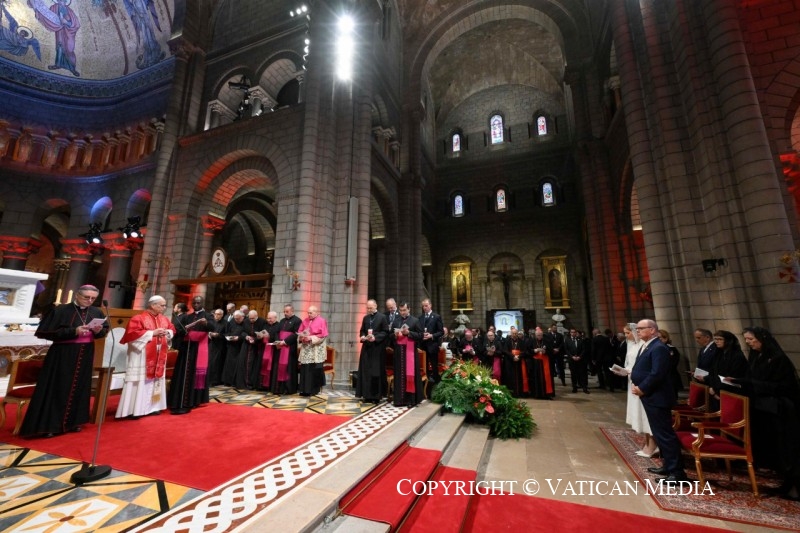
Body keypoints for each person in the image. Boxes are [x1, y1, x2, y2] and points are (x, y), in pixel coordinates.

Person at [20, 285, 108, 438]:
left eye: (93, 298)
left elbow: (103, 332)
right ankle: (50, 425)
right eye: (86, 297)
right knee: (59, 387)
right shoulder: (60, 310)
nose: (89, 301)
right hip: (63, 354)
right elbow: (44, 332)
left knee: (80, 387)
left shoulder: (96, 312)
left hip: (85, 354)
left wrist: (99, 330)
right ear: (77, 295)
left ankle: (73, 422)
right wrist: (74, 331)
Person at [736, 327, 800, 501]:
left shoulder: (778, 359)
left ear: (762, 339)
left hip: (780, 409)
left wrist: (752, 383)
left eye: (751, 339)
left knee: (787, 448)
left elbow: (784, 386)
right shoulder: (757, 356)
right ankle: (786, 483)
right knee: (774, 449)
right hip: (763, 408)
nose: (748, 343)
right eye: (746, 339)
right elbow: (753, 378)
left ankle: (795, 486)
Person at [630, 319, 688, 483]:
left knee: (665, 434)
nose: (638, 331)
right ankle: (668, 465)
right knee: (659, 433)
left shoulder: (659, 348)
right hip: (651, 396)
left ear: (652, 330)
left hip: (658, 396)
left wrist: (642, 388)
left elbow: (658, 373)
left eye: (641, 328)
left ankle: (677, 473)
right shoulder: (649, 345)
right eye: (637, 328)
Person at [115, 295, 175, 419]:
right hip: (141, 356)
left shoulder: (164, 319)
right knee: (140, 381)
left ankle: (152, 408)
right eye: (162, 305)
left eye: (164, 305)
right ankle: (134, 410)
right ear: (153, 305)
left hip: (159, 354)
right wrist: (152, 333)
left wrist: (167, 333)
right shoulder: (138, 318)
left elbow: (172, 329)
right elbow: (131, 335)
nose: (164, 307)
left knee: (155, 381)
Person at [615, 323, 657, 457]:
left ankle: (653, 445)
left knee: (646, 414)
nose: (626, 335)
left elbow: (649, 369)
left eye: (628, 333)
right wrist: (624, 371)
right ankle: (647, 442)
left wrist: (632, 372)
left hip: (642, 385)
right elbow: (630, 364)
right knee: (639, 413)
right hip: (632, 382)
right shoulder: (632, 345)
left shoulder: (646, 346)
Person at [168, 295, 214, 414]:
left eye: (198, 303)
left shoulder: (208, 316)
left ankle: (194, 400)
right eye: (194, 303)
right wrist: (184, 330)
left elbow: (213, 327)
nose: (196, 305)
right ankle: (179, 399)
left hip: (199, 348)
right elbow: (179, 330)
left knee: (195, 372)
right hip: (186, 348)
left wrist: (206, 323)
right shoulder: (187, 316)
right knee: (183, 373)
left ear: (202, 303)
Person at [703, 330, 748, 412]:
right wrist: (713, 389)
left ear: (728, 341)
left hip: (731, 392)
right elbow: (713, 372)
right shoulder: (718, 354)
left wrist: (716, 390)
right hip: (716, 391)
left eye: (720, 339)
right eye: (715, 339)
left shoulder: (737, 356)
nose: (716, 341)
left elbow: (733, 376)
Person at [390, 302, 424, 407]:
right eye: (400, 310)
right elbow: (390, 336)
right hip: (399, 352)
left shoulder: (415, 320)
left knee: (410, 375)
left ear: (409, 309)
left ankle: (411, 400)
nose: (402, 312)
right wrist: (395, 335)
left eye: (404, 310)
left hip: (410, 352)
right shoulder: (396, 321)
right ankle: (399, 400)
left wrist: (409, 333)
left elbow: (420, 335)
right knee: (399, 375)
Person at [356, 299, 389, 403]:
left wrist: (375, 337)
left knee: (375, 372)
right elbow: (362, 330)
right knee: (366, 372)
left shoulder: (382, 317)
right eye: (368, 308)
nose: (369, 310)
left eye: (371, 308)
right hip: (366, 348)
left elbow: (385, 332)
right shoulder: (366, 318)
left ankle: (375, 396)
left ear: (376, 306)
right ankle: (366, 395)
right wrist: (362, 336)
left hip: (377, 349)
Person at [297, 305, 329, 396]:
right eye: (308, 313)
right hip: (306, 349)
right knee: (305, 369)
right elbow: (300, 332)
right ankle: (304, 390)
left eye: (310, 313)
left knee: (313, 370)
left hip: (315, 349)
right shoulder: (305, 320)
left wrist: (310, 338)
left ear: (316, 312)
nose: (309, 314)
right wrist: (301, 337)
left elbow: (323, 336)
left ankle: (313, 390)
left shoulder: (322, 321)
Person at [272, 304, 302, 394]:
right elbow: (277, 332)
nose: (285, 313)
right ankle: (279, 388)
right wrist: (277, 341)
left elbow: (296, 334)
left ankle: (288, 389)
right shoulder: (282, 320)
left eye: (287, 311)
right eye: (284, 311)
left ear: (292, 311)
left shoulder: (297, 320)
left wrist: (285, 341)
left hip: (289, 347)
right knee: (279, 367)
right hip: (280, 347)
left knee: (288, 368)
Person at [235, 310, 266, 389]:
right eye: (250, 318)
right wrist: (246, 336)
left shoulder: (262, 322)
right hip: (246, 345)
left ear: (257, 316)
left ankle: (252, 383)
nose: (251, 320)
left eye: (253, 318)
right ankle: (243, 383)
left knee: (253, 365)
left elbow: (264, 334)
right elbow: (242, 332)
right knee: (243, 363)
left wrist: (255, 339)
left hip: (256, 346)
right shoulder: (246, 321)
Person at [419, 298, 444, 385]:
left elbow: (441, 332)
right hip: (423, 345)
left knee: (434, 366)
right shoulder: (421, 317)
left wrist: (432, 336)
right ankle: (426, 383)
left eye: (426, 306)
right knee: (424, 366)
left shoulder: (436, 317)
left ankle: (436, 383)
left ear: (430, 305)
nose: (424, 308)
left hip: (432, 345)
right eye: (423, 306)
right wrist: (421, 335)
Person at [256, 311, 281, 391]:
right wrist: (259, 336)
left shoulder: (279, 326)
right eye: (268, 318)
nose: (269, 320)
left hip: (273, 350)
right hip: (264, 348)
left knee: (270, 367)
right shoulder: (265, 325)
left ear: (275, 318)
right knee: (262, 365)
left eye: (270, 318)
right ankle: (261, 385)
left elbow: (278, 338)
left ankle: (269, 385)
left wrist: (269, 337)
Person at [528, 327, 555, 399]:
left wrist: (545, 351)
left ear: (542, 335)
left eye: (540, 335)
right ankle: (537, 394)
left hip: (545, 362)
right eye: (538, 335)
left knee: (546, 378)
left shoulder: (547, 341)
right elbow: (528, 351)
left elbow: (551, 351)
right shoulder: (532, 341)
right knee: (536, 378)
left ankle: (547, 394)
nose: (539, 337)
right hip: (535, 363)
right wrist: (534, 350)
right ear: (535, 335)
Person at [221, 310, 245, 385]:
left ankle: (235, 382)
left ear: (242, 317)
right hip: (231, 346)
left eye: (238, 319)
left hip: (240, 347)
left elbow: (246, 333)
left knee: (237, 365)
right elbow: (227, 331)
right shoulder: (232, 321)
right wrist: (228, 336)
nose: (236, 320)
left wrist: (239, 338)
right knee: (229, 364)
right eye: (235, 318)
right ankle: (228, 381)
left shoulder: (246, 322)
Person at [658, 329, 684, 394]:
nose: (658, 340)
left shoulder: (671, 349)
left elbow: (672, 364)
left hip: (670, 377)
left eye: (659, 338)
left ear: (665, 338)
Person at [564, 327, 589, 394]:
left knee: (582, 374)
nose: (573, 333)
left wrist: (579, 357)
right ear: (570, 333)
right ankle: (574, 387)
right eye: (572, 332)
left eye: (574, 332)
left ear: (576, 333)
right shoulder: (567, 340)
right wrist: (572, 356)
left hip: (580, 360)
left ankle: (584, 388)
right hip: (572, 360)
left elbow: (584, 349)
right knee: (573, 374)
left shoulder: (580, 339)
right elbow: (566, 350)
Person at [207, 308, 227, 386]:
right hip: (210, 345)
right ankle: (208, 380)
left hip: (219, 346)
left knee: (216, 363)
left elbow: (227, 334)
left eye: (218, 314)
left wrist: (218, 335)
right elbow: (206, 331)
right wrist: (209, 334)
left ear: (222, 315)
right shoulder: (210, 322)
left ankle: (215, 380)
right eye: (215, 314)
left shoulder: (226, 323)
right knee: (210, 362)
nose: (216, 316)